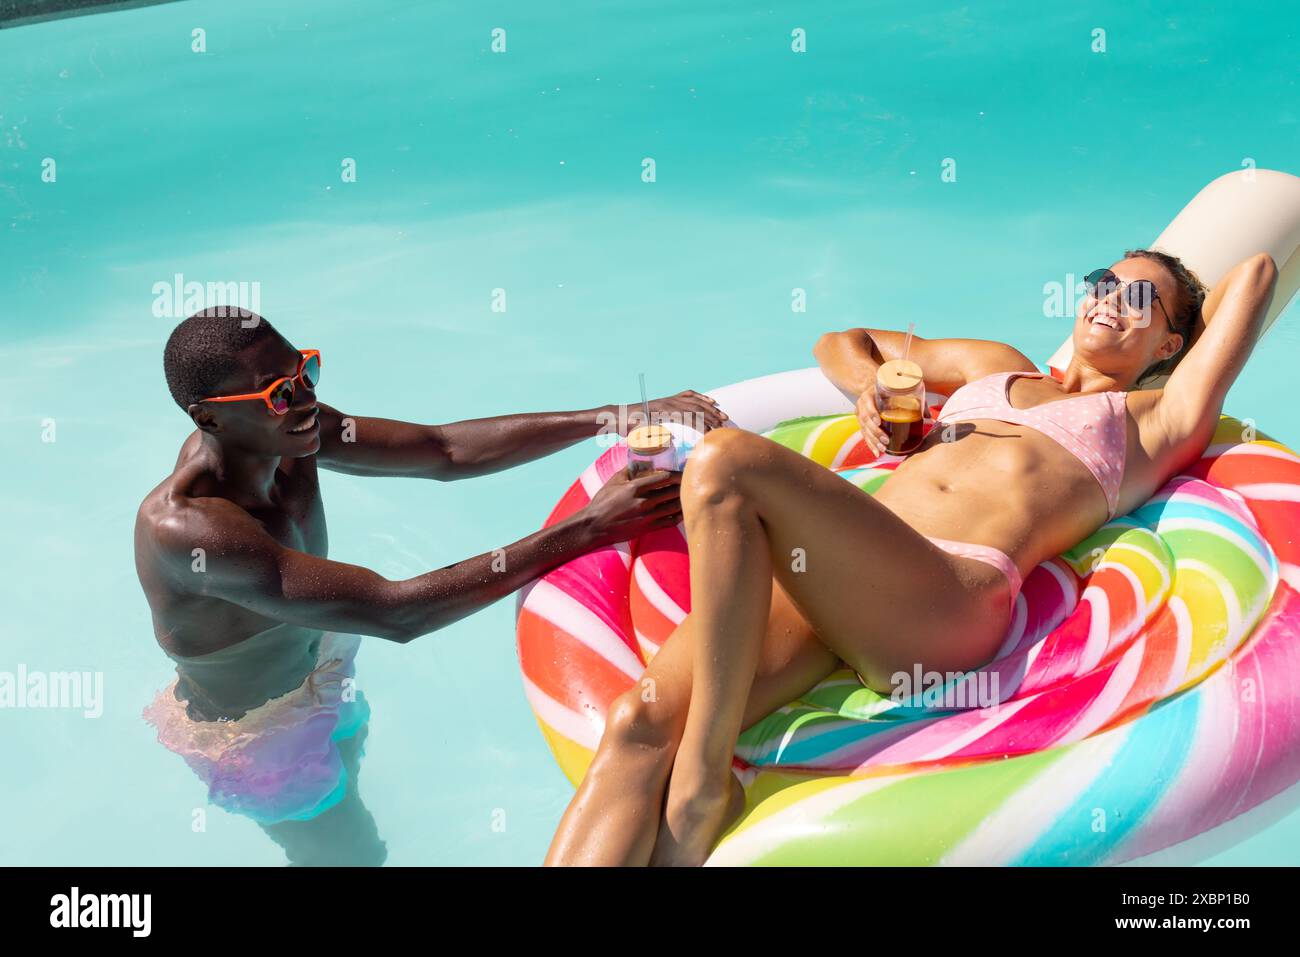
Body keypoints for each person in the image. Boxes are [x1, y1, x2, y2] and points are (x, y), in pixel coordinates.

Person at [544, 249, 1279, 866]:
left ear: (1170, 347)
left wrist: (1187, 310)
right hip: (842, 578)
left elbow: (1259, 271)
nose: (1110, 299)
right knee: (636, 723)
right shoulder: (993, 367)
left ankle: (702, 779)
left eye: (1140, 295)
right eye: (1102, 281)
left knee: (724, 461)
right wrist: (871, 387)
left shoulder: (1154, 420)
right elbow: (843, 339)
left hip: (949, 594)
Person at [134, 307, 724, 864]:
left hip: (324, 656)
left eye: (305, 370)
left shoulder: (289, 431)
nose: (306, 398)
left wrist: (612, 417)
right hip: (259, 731)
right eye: (279, 392)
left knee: (350, 774)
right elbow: (397, 613)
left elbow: (442, 450)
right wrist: (591, 527)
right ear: (208, 417)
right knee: (355, 857)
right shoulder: (192, 531)